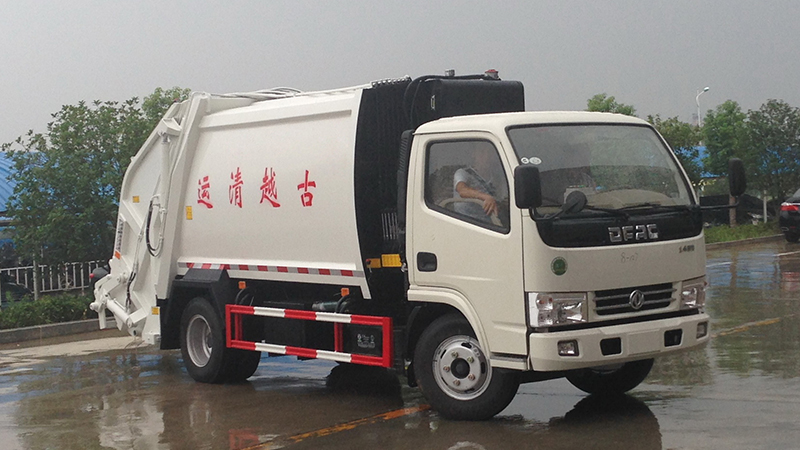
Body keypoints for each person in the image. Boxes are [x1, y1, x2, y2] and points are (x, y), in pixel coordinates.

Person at [452, 145, 504, 223]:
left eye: (490, 153)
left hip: (492, 222)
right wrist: (485, 197)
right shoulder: (463, 173)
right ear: (474, 154)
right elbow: (462, 190)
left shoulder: (496, 178)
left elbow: (499, 198)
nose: (487, 157)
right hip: (468, 222)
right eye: (482, 152)